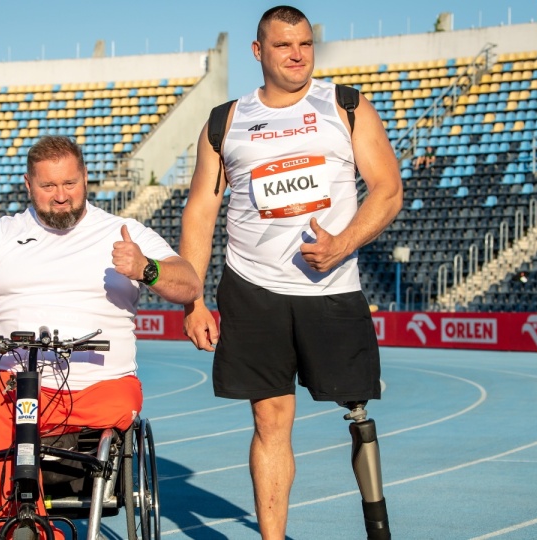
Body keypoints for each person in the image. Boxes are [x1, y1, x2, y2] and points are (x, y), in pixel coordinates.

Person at [179, 6, 403, 539]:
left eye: (304, 43)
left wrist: (342, 243)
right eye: (284, 45)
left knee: (358, 413)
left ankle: (377, 529)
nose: (297, 54)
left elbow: (388, 189)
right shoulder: (225, 121)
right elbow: (200, 213)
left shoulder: (344, 106)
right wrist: (192, 302)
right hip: (252, 288)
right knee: (270, 421)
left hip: (331, 289)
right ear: (259, 52)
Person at [0, 135, 200, 539]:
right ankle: (24, 526)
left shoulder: (121, 231)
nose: (60, 196)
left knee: (118, 404)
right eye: (48, 186)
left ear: (86, 178)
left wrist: (147, 268)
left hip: (99, 386)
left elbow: (189, 283)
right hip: (12, 384)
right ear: (28, 185)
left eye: (69, 184)